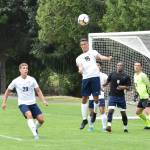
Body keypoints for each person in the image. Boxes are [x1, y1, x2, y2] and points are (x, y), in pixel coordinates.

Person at [1, 63, 48, 140]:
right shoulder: (16, 81)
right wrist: (4, 102)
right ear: (20, 70)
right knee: (29, 115)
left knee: (41, 120)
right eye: (23, 68)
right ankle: (35, 135)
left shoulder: (32, 79)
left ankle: (34, 128)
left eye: (26, 68)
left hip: (33, 103)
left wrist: (43, 101)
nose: (25, 69)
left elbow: (38, 91)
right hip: (23, 104)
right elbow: (7, 91)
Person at [76, 38, 112, 130]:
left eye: (85, 44)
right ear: (81, 46)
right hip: (86, 79)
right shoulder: (79, 57)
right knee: (84, 98)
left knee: (96, 99)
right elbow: (80, 66)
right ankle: (84, 119)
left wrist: (107, 58)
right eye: (82, 44)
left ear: (88, 45)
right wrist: (80, 70)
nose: (84, 46)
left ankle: (94, 113)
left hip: (95, 77)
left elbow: (100, 57)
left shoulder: (93, 52)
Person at [103, 62, 131, 133]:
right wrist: (103, 85)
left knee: (123, 114)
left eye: (121, 65)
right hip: (112, 96)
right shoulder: (112, 74)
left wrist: (123, 87)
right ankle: (109, 126)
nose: (119, 66)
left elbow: (128, 87)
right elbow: (107, 81)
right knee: (110, 110)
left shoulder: (126, 76)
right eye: (118, 65)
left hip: (121, 97)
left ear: (123, 67)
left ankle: (125, 127)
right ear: (116, 66)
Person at [88, 62, 108, 132]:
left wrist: (103, 89)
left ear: (100, 67)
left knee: (102, 111)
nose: (97, 66)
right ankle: (91, 127)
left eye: (98, 65)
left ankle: (104, 128)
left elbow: (107, 84)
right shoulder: (89, 75)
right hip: (91, 97)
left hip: (100, 96)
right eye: (95, 65)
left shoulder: (104, 75)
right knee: (91, 113)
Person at [134, 62, 150, 129]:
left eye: (138, 65)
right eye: (135, 65)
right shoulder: (135, 75)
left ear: (141, 67)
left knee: (148, 112)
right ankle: (147, 123)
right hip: (141, 97)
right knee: (138, 112)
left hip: (147, 96)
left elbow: (148, 85)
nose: (136, 67)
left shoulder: (143, 75)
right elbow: (137, 86)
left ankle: (149, 125)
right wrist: (136, 94)